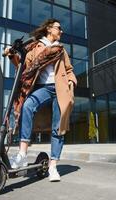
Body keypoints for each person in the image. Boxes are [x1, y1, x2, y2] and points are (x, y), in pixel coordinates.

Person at [4, 18, 77, 182]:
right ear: (49, 29)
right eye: (59, 28)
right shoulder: (36, 47)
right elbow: (23, 66)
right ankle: (22, 153)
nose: (61, 31)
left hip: (60, 89)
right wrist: (11, 56)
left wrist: (72, 82)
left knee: (58, 128)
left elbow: (69, 69)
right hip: (43, 88)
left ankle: (53, 167)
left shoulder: (61, 49)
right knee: (27, 106)